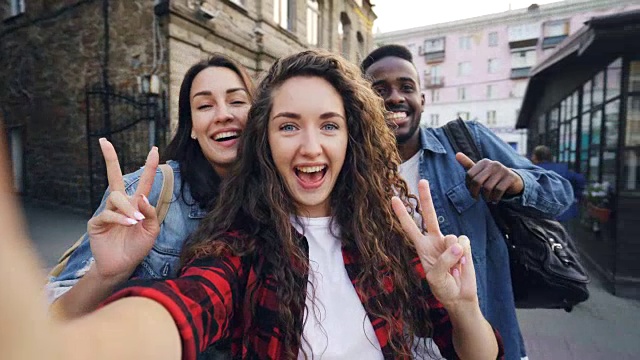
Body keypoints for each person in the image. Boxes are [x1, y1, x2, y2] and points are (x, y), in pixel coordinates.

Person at [0, 50, 504, 360]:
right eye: (288, 126)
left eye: (329, 125)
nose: (310, 147)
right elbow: (184, 309)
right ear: (264, 142)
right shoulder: (239, 243)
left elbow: (477, 352)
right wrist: (60, 343)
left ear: (353, 138)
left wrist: (463, 308)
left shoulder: (394, 237)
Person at [361, 45, 575, 360]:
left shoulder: (466, 141)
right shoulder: (356, 170)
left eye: (406, 87)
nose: (394, 97)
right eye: (379, 90)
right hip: (396, 344)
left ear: (422, 99)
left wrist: (517, 183)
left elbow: (561, 195)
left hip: (480, 341)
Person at [46, 54, 255, 319]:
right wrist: (105, 275)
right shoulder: (149, 192)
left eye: (237, 101)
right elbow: (52, 317)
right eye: (205, 106)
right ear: (191, 128)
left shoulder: (279, 197)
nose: (223, 115)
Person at [531, 145, 585, 225]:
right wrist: (575, 195)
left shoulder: (533, 171)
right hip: (564, 213)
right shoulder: (562, 168)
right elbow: (580, 179)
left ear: (535, 157)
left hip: (540, 215)